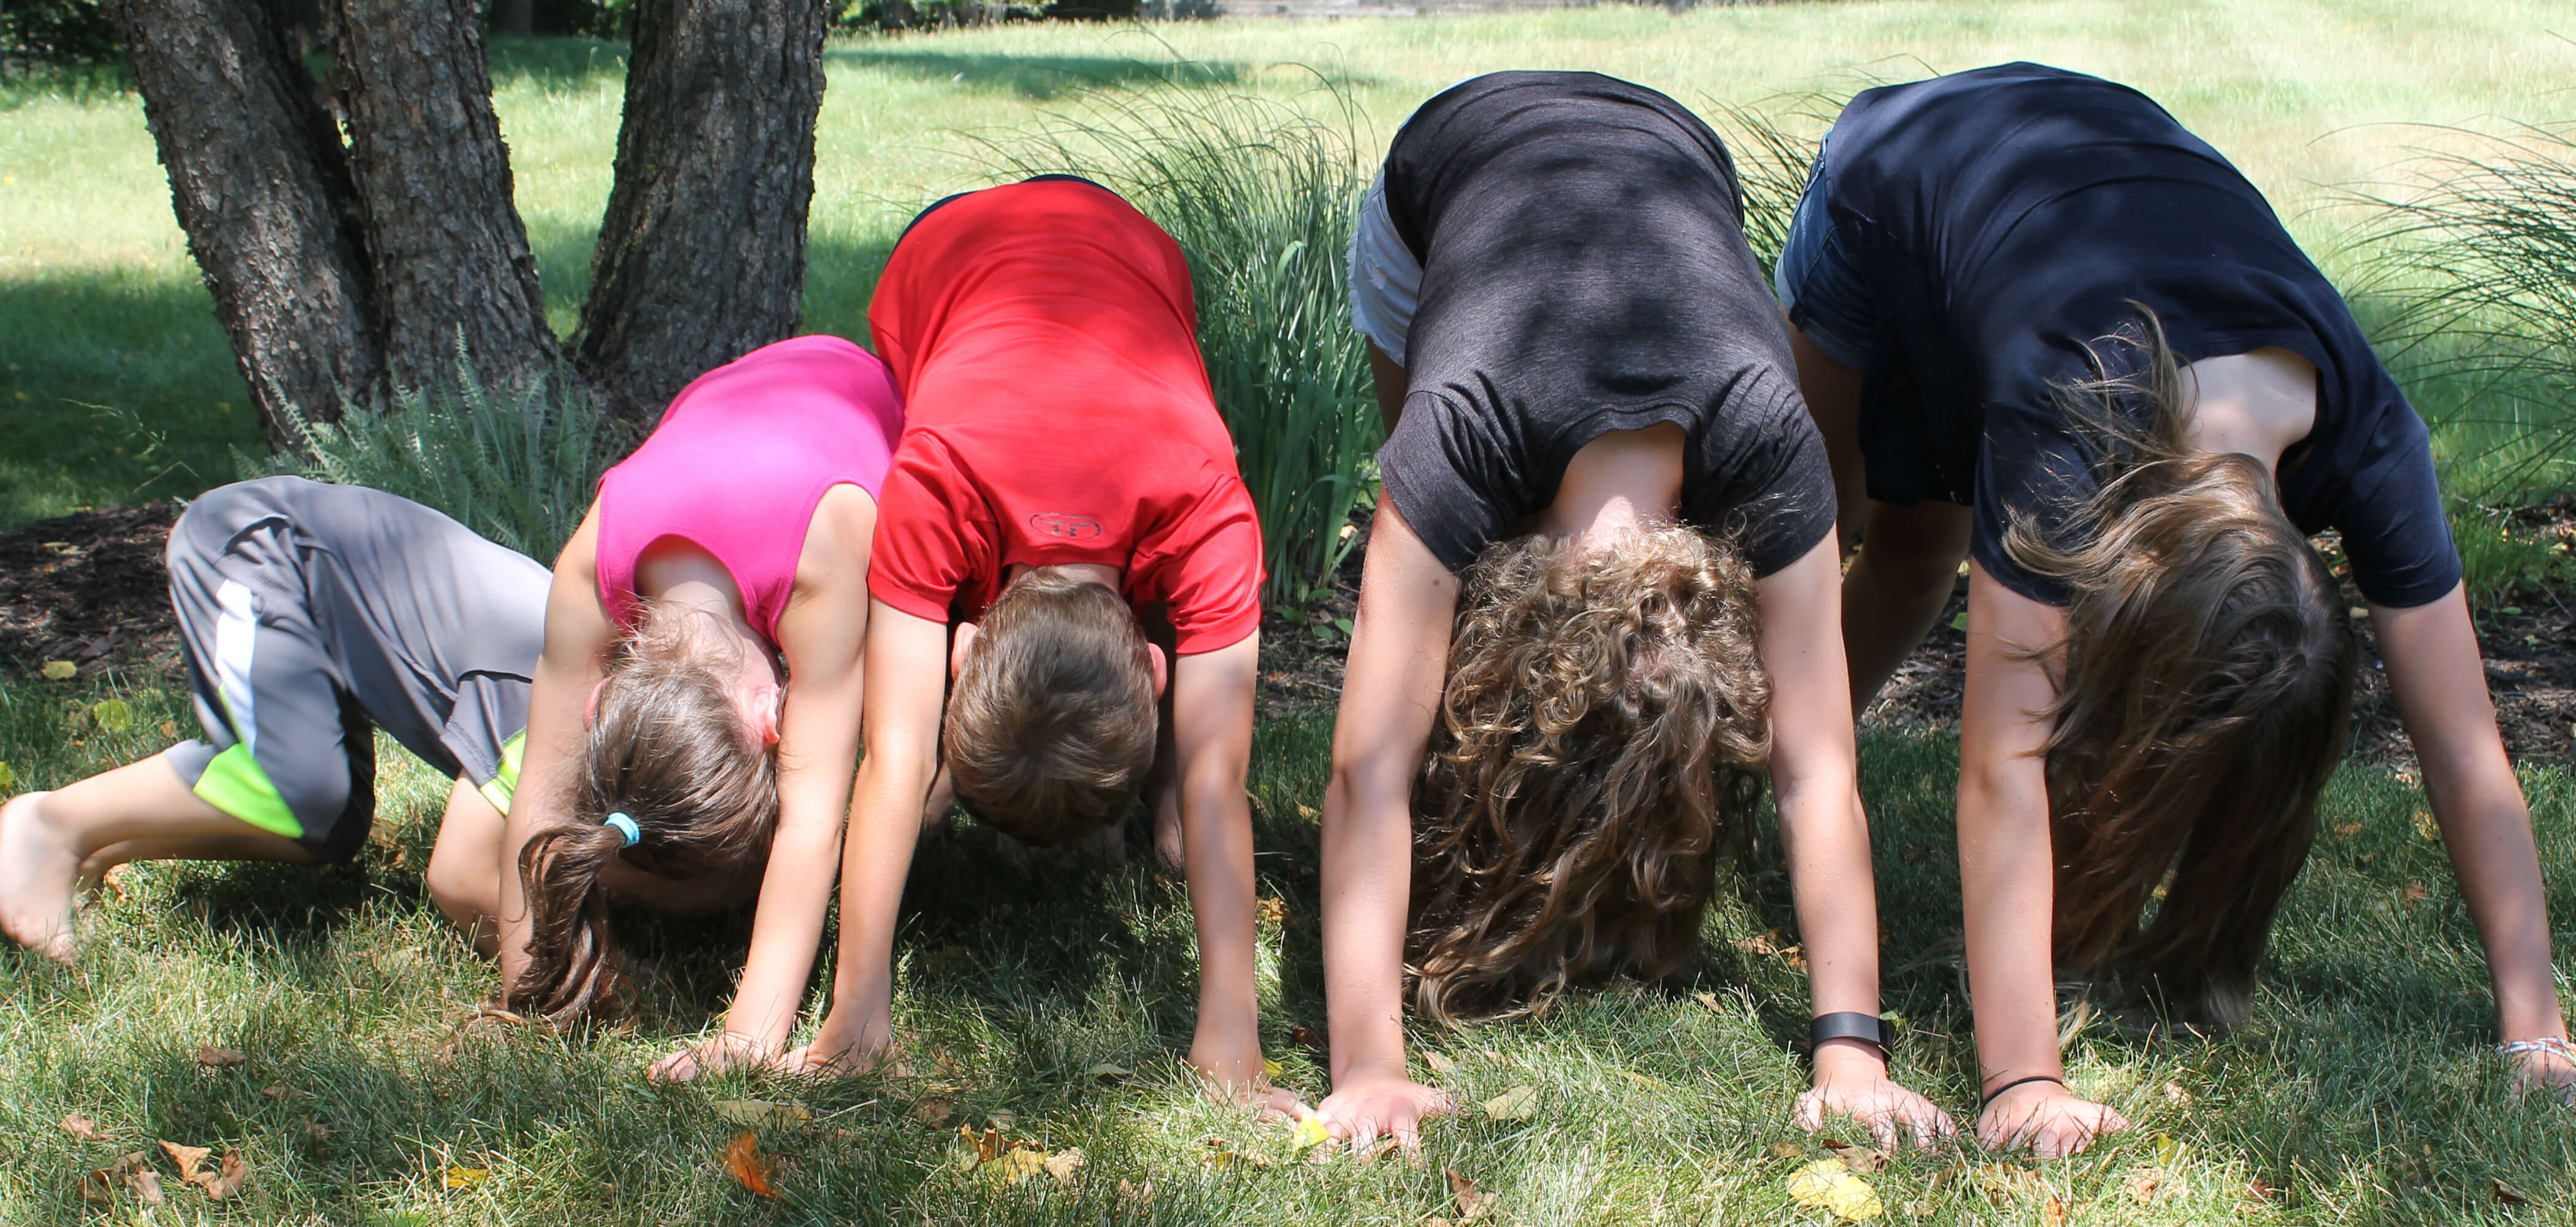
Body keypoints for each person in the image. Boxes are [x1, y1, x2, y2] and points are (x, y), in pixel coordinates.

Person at [1773, 61, 2575, 1159]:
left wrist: (2536, 1032)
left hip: (2068, 206)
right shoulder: (2070, 424)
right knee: (1835, 542)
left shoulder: (2375, 440)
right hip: (1898, 172)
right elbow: (2002, 764)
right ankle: (1760, 777)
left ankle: (1789, 773)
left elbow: (2467, 746)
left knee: (1927, 543)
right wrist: (2024, 1082)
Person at [1314, 71, 1952, 1152]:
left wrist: (1854, 1053)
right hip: (1446, 173)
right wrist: (1369, 1066)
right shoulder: (1455, 440)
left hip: (1674, 156)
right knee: (1417, 655)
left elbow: (1817, 766)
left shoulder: (1771, 446)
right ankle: (1476, 823)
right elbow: (1365, 768)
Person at [780, 175, 1279, 1101]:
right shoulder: (930, 478)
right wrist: (856, 1008)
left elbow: (1211, 784)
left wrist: (1234, 1033)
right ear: (1156, 671)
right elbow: (897, 762)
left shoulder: (1210, 503)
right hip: (944, 258)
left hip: (1126, 253)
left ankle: (1122, 816)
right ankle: (1093, 815)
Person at [494, 334, 903, 1082]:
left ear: (769, 717)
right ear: (601, 700)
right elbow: (542, 790)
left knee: (898, 729)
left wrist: (747, 1036)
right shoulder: (588, 566)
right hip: (724, 402)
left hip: (868, 401)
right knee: (461, 870)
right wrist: (528, 991)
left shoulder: (823, 561)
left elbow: (815, 820)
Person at [0, 477, 545, 957]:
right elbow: (466, 878)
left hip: (329, 586)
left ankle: (105, 839)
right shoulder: (545, 710)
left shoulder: (599, 703)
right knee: (301, 793)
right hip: (259, 548)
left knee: (330, 826)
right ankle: (51, 825)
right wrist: (590, 972)